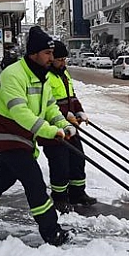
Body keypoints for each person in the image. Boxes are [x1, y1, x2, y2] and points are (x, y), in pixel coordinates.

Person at [0, 26, 76, 246]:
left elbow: (50, 107)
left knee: (1, 180)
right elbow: (20, 112)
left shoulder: (42, 76)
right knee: (34, 182)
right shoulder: (13, 75)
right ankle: (52, 232)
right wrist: (51, 131)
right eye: (48, 53)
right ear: (34, 54)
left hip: (23, 137)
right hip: (7, 135)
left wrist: (62, 123)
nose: (52, 57)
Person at [39, 41, 97, 213]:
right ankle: (60, 198)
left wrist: (79, 111)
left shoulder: (64, 74)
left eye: (65, 59)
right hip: (54, 130)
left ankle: (77, 193)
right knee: (60, 164)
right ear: (51, 59)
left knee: (78, 159)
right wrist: (66, 116)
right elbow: (47, 105)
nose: (63, 63)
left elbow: (72, 97)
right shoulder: (45, 77)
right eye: (60, 59)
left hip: (70, 127)